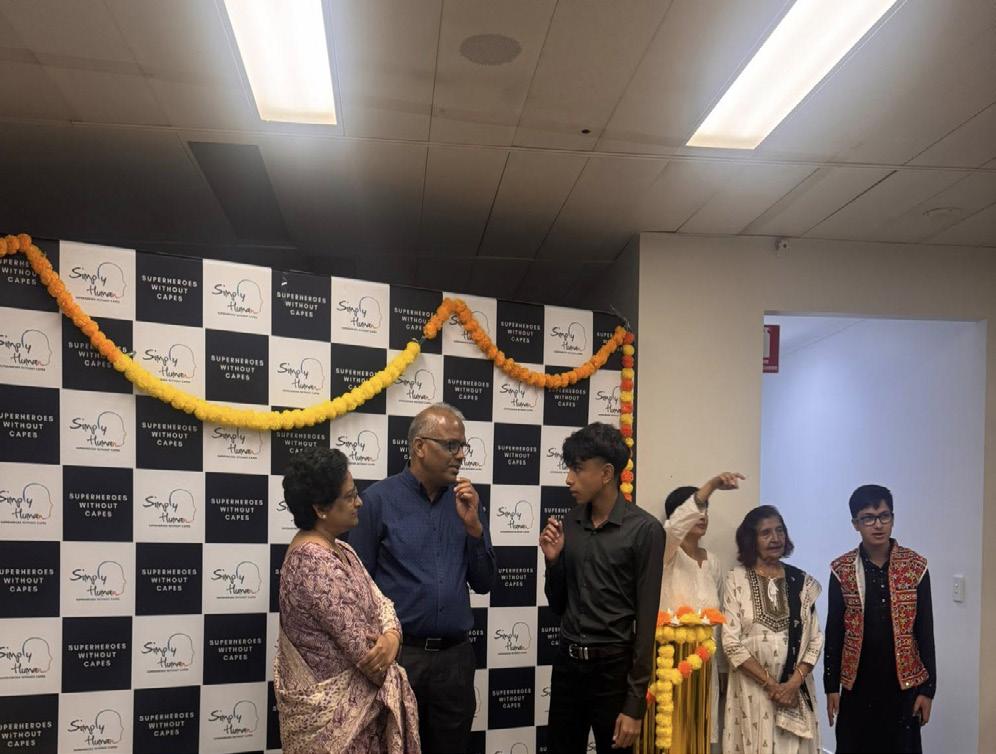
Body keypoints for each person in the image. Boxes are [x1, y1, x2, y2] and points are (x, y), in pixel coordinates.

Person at [350, 403, 496, 754]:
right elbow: (359, 590)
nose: (460, 455)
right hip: (402, 658)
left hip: (455, 662)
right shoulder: (376, 502)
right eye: (451, 445)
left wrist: (474, 529)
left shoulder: (467, 503)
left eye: (462, 446)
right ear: (419, 447)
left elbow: (485, 582)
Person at [274, 446, 419, 753]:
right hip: (337, 731)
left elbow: (384, 603)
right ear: (320, 509)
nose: (359, 502)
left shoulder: (342, 549)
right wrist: (388, 642)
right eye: (350, 496)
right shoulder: (312, 563)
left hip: (362, 722)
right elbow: (368, 656)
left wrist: (391, 637)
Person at [539, 422, 665, 752]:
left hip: (614, 671)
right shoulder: (570, 522)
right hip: (568, 666)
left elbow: (646, 621)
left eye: (578, 469)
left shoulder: (645, 530)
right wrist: (553, 562)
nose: (569, 479)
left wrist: (634, 705)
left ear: (607, 473)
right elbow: (558, 604)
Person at [824, 485, 936, 754]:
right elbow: (834, 631)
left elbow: (925, 631)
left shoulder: (915, 567)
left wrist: (928, 690)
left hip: (903, 686)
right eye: (868, 518)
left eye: (884, 516)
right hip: (857, 684)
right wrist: (831, 686)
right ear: (855, 524)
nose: (878, 525)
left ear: (892, 518)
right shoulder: (841, 570)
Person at [722, 505, 823, 754]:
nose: (775, 538)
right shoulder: (736, 579)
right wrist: (772, 686)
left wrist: (792, 684)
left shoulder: (801, 582)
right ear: (751, 540)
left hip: (795, 691)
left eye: (780, 531)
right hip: (753, 692)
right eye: (765, 533)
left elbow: (815, 639)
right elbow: (731, 643)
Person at [659, 472, 744, 744]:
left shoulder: (713, 562)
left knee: (699, 740)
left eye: (706, 509)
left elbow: (719, 623)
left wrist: (722, 669)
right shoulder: (665, 553)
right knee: (671, 739)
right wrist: (712, 486)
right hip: (669, 665)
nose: (703, 514)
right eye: (697, 508)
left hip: (706, 667)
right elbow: (673, 529)